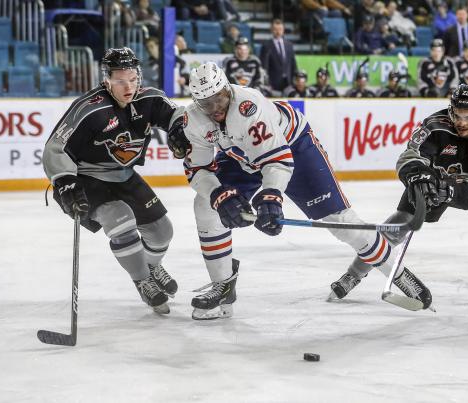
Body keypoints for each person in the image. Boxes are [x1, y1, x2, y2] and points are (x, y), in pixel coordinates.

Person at [170, 62, 432, 319]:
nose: (216, 109)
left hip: (293, 146)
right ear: (196, 102)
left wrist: (271, 197)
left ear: (228, 89)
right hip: (241, 156)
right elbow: (198, 170)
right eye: (207, 104)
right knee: (205, 207)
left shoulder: (249, 106)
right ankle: (222, 284)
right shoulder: (192, 119)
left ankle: (398, 274)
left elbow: (277, 160)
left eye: (220, 98)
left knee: (342, 223)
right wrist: (218, 195)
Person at [332, 84, 468, 305]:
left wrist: (451, 192)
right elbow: (409, 156)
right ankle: (354, 273)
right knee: (399, 224)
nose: (462, 122)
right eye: (457, 114)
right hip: (433, 179)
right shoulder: (434, 125)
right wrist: (418, 176)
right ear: (450, 109)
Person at [42, 48, 183, 314]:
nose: (127, 86)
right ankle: (142, 281)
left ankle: (150, 266)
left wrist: (179, 130)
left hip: (123, 175)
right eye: (119, 80)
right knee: (121, 218)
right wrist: (65, 183)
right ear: (106, 80)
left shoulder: (149, 99)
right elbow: (55, 147)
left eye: (132, 78)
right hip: (84, 178)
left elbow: (178, 114)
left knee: (162, 231)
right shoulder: (89, 109)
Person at [260, 18, 297, 92]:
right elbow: (264, 66)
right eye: (275, 29)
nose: (278, 31)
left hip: (288, 82)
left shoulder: (289, 45)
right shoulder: (266, 46)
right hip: (273, 84)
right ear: (271, 30)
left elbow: (293, 64)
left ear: (283, 30)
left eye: (280, 29)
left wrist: (294, 80)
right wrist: (267, 83)